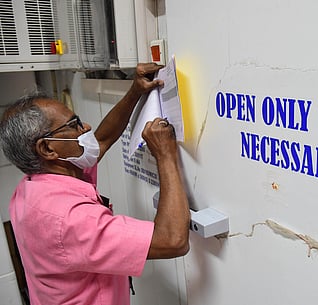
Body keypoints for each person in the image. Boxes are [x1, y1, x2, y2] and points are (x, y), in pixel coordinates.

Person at [0, 63, 191, 305]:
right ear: (47, 148)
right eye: (74, 124)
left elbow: (100, 140)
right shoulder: (68, 219)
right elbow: (173, 240)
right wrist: (165, 154)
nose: (86, 127)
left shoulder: (33, 186)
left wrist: (135, 92)